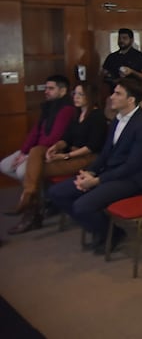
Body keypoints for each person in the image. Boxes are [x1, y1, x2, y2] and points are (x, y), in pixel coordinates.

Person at [48, 78, 142, 254]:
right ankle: (105, 229)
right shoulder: (116, 120)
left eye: (117, 93)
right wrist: (90, 172)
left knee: (82, 205)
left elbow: (132, 165)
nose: (111, 96)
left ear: (131, 100)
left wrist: (97, 181)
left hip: (133, 180)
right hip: (112, 174)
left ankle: (111, 234)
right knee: (57, 193)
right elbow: (105, 154)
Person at [8, 82, 107, 234]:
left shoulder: (97, 116)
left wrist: (66, 155)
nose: (76, 97)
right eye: (75, 93)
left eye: (80, 94)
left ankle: (31, 208)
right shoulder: (76, 114)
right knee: (36, 150)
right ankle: (29, 195)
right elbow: (66, 138)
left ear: (90, 96)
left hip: (87, 158)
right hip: (70, 153)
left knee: (37, 170)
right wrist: (56, 148)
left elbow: (91, 147)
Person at [2, 75, 76, 210]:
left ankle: (33, 204)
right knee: (5, 165)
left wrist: (30, 155)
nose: (46, 91)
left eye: (51, 88)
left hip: (49, 151)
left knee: (21, 172)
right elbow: (35, 132)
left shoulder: (67, 109)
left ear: (62, 90)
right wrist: (23, 152)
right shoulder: (48, 107)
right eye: (46, 88)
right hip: (35, 149)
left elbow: (54, 138)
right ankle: (39, 196)